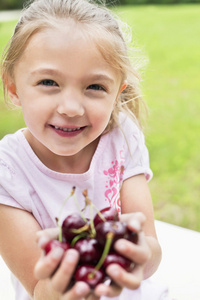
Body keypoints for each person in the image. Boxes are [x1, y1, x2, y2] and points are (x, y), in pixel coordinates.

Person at [0, 0, 168, 299]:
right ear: (13, 87)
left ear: (118, 92)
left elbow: (151, 250)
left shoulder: (121, 137)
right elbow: (40, 289)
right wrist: (71, 286)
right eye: (48, 82)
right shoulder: (7, 171)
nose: (71, 108)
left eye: (95, 87)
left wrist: (140, 255)